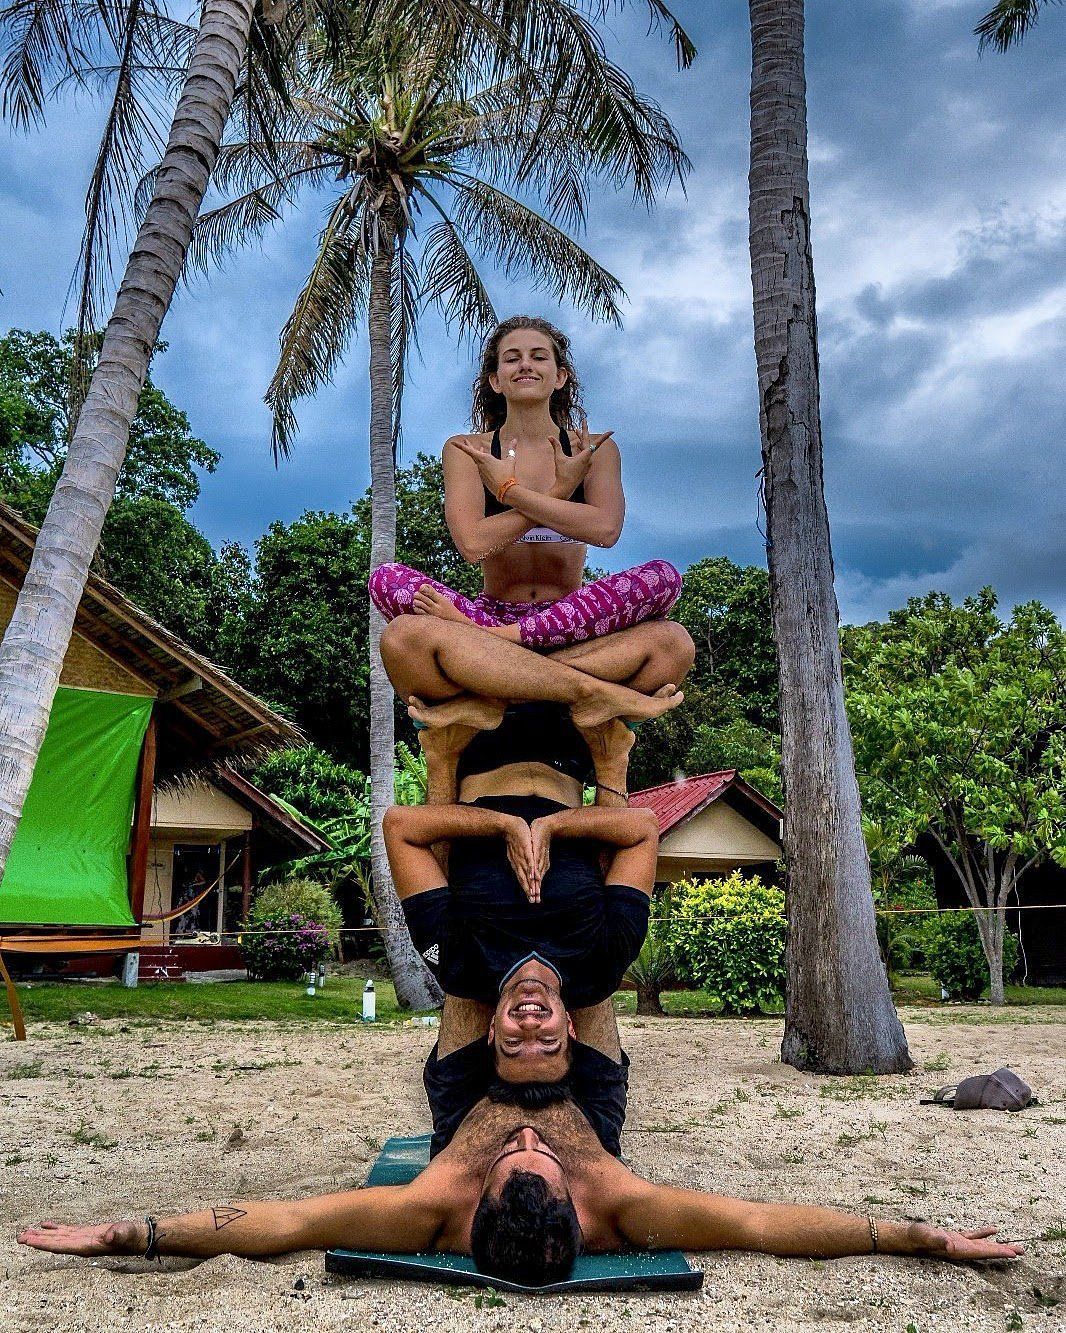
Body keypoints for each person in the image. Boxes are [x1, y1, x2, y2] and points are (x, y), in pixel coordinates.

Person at [18, 1077, 1023, 1287]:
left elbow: (276, 1220)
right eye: (533, 1157)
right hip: (597, 1081)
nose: (532, 1140)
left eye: (519, 1157)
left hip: (473, 1069)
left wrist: (129, 1232)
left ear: (476, 1204)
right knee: (568, 986)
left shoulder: (431, 1208)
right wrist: (921, 1236)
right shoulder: (624, 1208)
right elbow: (763, 1222)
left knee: (488, 984)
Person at [368, 316, 683, 652]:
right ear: (496, 380)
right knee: (386, 579)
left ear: (560, 377)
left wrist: (511, 493)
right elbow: (473, 545)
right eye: (512, 358)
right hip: (492, 611)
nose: (525, 365)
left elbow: (605, 531)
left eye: (538, 356)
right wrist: (560, 493)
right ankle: (568, 671)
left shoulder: (593, 450)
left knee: (664, 578)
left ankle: (500, 647)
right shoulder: (468, 450)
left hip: (571, 616)